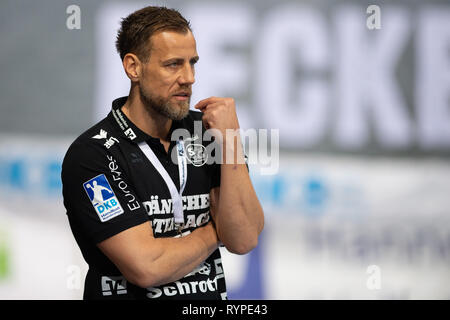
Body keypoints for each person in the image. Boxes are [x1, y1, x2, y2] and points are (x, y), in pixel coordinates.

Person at [61, 5, 264, 300]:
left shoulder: (210, 132)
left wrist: (231, 142)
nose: (189, 77)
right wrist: (217, 229)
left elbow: (244, 238)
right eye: (173, 64)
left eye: (192, 63)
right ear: (134, 67)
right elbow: (146, 267)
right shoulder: (92, 154)